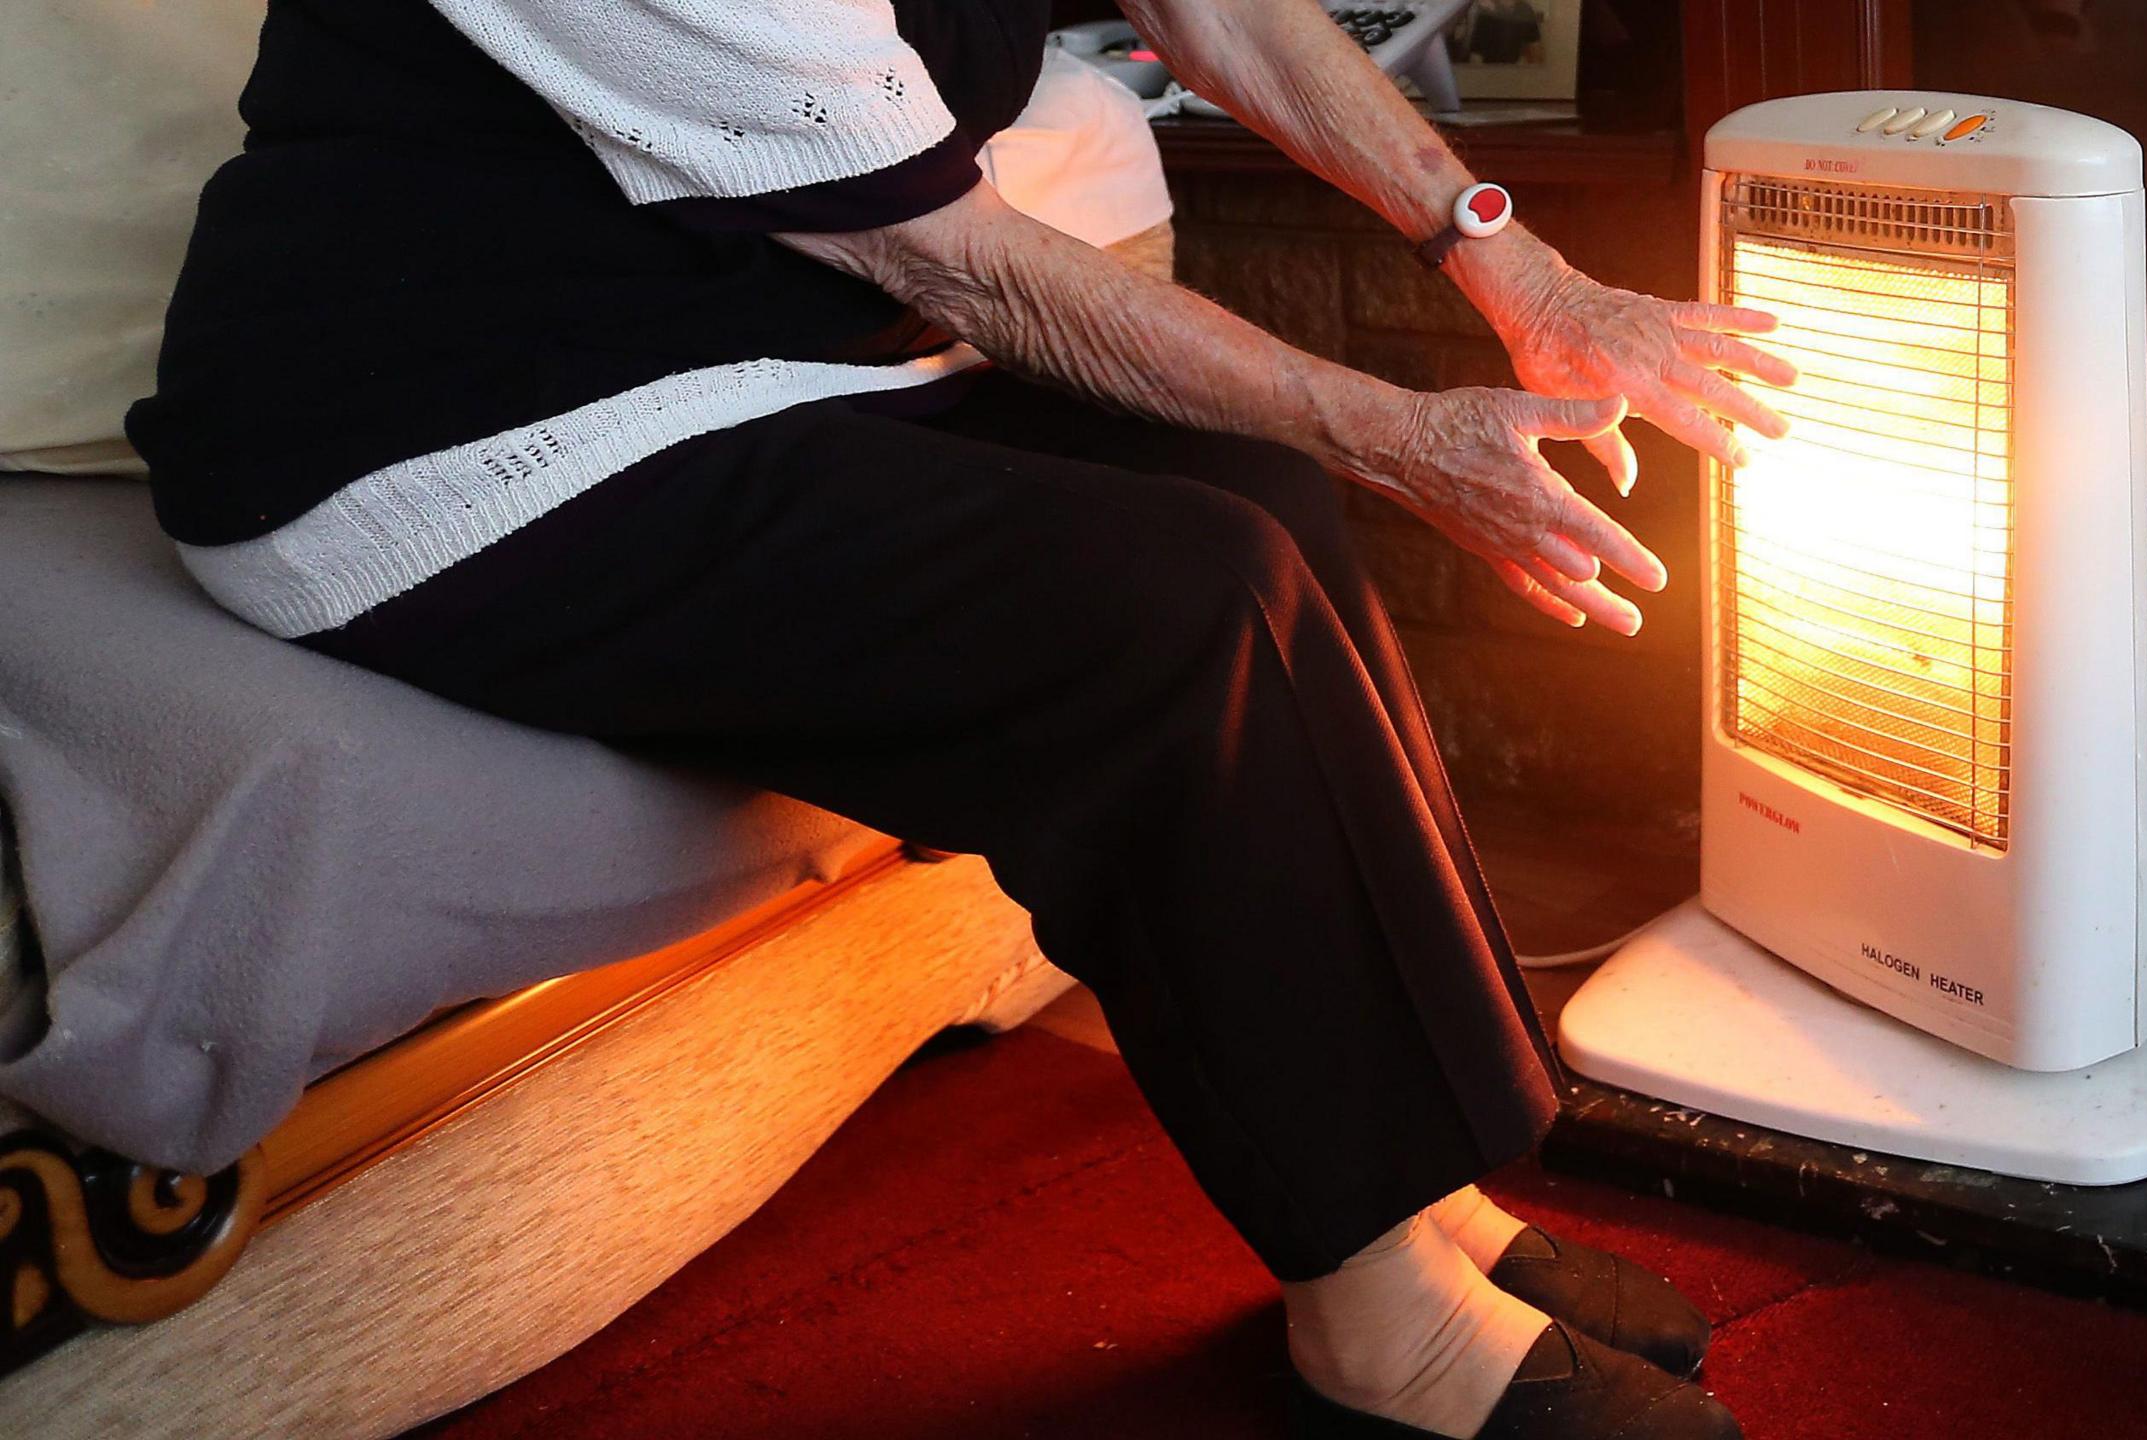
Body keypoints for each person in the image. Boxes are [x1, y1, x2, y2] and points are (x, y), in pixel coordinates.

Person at [128, 1, 1793, 1435]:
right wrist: (1399, 425)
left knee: (1263, 488)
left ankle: (1427, 1193)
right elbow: (956, 256)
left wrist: (1519, 263)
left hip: (755, 346)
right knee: (1174, 600)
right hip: (431, 437)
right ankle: (1375, 1314)